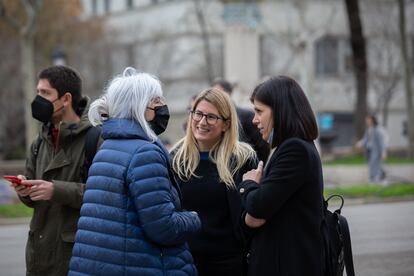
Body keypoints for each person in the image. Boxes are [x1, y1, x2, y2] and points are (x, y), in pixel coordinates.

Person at [69, 67, 201, 275]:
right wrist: (192, 218)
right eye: (156, 101)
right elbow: (163, 227)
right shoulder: (145, 152)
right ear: (139, 107)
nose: (162, 106)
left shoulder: (108, 147)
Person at [10, 65, 101, 275]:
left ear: (66, 99)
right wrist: (24, 189)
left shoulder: (95, 138)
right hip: (38, 255)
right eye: (37, 92)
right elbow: (33, 197)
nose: (38, 99)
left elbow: (104, 195)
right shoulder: (39, 142)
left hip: (74, 256)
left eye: (45, 93)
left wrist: (56, 190)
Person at [239, 76, 324, 275]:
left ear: (280, 110)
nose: (254, 120)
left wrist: (248, 184)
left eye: (259, 111)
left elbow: (259, 206)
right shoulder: (291, 146)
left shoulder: (295, 149)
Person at [171, 88, 257, 276]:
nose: (202, 122)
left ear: (226, 124)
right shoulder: (175, 159)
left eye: (211, 117)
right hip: (183, 262)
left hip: (229, 263)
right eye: (198, 114)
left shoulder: (243, 159)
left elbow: (252, 209)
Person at [212, 78, 270, 163]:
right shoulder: (212, 117)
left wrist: (256, 167)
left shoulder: (247, 116)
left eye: (218, 92)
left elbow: (262, 146)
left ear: (228, 93)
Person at [356, 114, 387, 183]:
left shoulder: (378, 130)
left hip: (376, 150)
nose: (367, 122)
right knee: (371, 163)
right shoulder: (368, 130)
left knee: (376, 163)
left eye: (368, 121)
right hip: (369, 149)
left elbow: (381, 142)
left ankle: (378, 177)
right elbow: (365, 139)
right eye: (366, 121)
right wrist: (360, 143)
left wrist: (383, 152)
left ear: (373, 121)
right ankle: (373, 177)